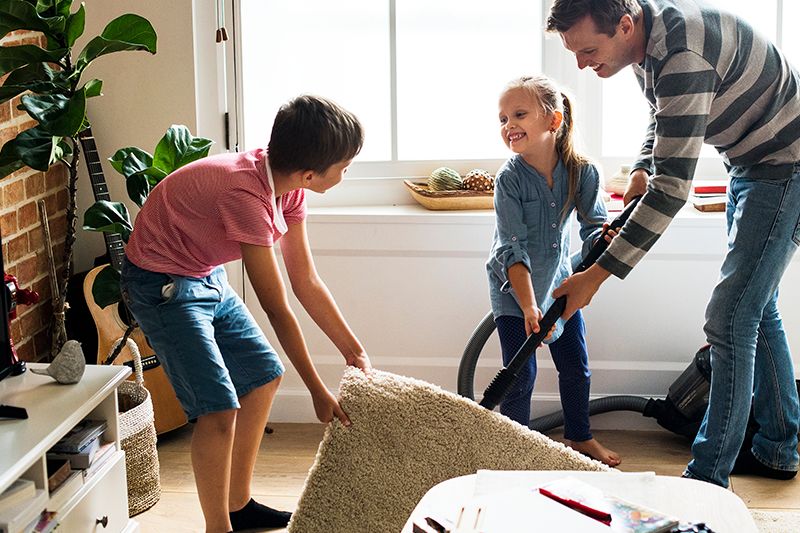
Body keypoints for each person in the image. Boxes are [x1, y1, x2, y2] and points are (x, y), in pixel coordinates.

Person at [547, 0, 800, 487]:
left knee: (730, 318)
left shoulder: (682, 51)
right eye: (574, 53)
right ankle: (777, 448)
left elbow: (672, 192)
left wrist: (595, 278)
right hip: (751, 163)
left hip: (785, 167)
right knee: (755, 307)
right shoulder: (651, 40)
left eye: (588, 50)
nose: (580, 64)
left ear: (624, 25)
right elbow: (667, 111)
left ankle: (705, 481)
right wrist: (645, 164)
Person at [119, 95, 371, 533]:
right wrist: (316, 388)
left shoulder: (288, 189)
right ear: (311, 174)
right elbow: (277, 309)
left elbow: (305, 280)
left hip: (201, 272)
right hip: (160, 284)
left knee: (263, 376)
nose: (346, 173)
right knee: (217, 410)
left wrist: (353, 351)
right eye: (344, 167)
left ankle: (238, 506)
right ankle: (218, 528)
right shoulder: (245, 195)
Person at [487, 75, 621, 466]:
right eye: (502, 119)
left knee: (575, 365)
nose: (508, 125)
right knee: (520, 374)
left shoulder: (583, 172)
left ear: (553, 121)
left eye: (519, 114)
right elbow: (510, 249)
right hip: (514, 289)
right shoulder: (509, 179)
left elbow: (593, 228)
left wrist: (603, 240)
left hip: (563, 284)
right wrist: (529, 307)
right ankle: (516, 448)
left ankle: (579, 436)